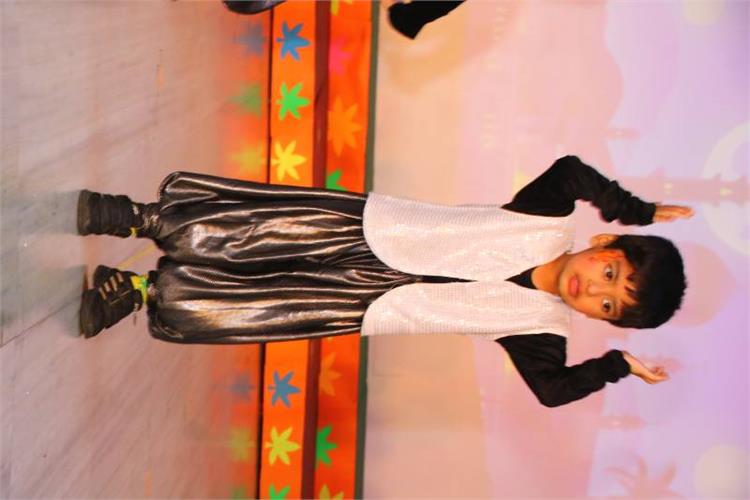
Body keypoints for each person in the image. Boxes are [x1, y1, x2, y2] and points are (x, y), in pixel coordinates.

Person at [77, 155, 692, 407]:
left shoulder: (542, 330)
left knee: (250, 306)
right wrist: (633, 209)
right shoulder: (547, 218)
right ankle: (137, 218)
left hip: (367, 304)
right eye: (609, 273)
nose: (594, 291)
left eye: (608, 306)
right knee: (251, 230)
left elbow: (553, 392)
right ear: (603, 245)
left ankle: (135, 290)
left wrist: (615, 366)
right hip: (370, 229)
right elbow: (573, 171)